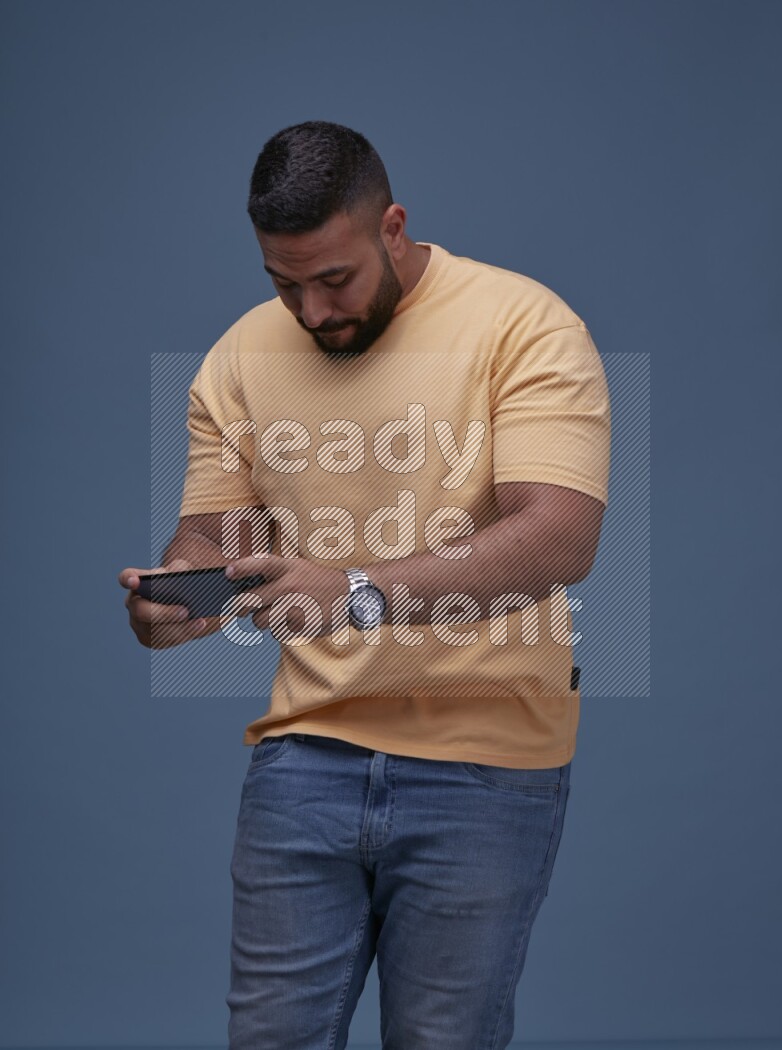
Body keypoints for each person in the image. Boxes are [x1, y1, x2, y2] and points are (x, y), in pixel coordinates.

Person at [119, 120, 611, 1050]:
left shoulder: (524, 324)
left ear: (392, 228)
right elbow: (215, 542)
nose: (308, 312)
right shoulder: (236, 359)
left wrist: (357, 592)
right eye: (282, 283)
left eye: (332, 279)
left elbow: (558, 538)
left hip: (487, 764)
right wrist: (172, 599)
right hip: (302, 762)